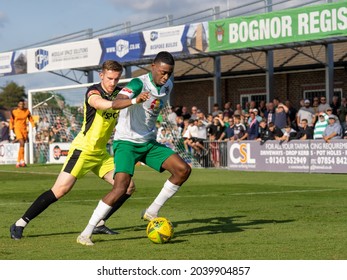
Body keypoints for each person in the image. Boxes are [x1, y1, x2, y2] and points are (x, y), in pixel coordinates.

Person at [10, 60, 135, 240]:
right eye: (109, 78)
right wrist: (130, 100)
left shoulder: (119, 93)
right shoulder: (93, 91)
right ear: (101, 75)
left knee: (128, 187)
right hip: (83, 150)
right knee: (60, 190)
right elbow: (100, 104)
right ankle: (19, 223)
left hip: (101, 153)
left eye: (116, 79)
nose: (113, 83)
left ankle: (99, 222)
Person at [77, 51, 191, 246]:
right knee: (121, 187)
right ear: (153, 67)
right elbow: (116, 102)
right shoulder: (138, 84)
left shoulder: (168, 85)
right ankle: (86, 233)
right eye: (162, 72)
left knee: (183, 170)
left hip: (148, 142)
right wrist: (134, 100)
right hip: (126, 143)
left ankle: (152, 211)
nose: (165, 77)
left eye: (169, 73)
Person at [9, 99, 36, 167]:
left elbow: (31, 119)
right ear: (18, 105)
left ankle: (19, 162)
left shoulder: (27, 111)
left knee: (22, 145)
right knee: (21, 142)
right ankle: (22, 161)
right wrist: (11, 130)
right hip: (17, 128)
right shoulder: (14, 111)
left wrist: (34, 127)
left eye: (23, 104)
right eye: (20, 104)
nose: (21, 105)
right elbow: (11, 121)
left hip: (24, 129)